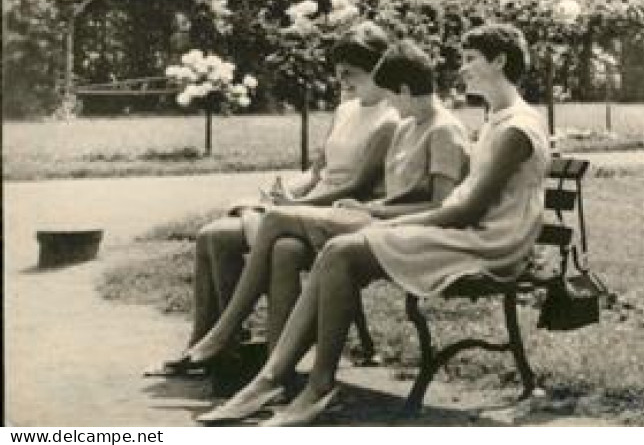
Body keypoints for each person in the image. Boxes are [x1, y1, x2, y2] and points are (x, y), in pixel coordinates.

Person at [201, 23, 551, 426]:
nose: (463, 69)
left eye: (471, 59)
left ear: (500, 61)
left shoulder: (516, 127)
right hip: (469, 232)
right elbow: (460, 206)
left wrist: (385, 222)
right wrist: (385, 218)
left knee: (343, 249)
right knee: (337, 251)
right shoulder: (497, 119)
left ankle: (303, 385)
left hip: (491, 242)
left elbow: (466, 212)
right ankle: (279, 381)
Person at [178, 40, 470, 368]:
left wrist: (372, 209)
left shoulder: (425, 127)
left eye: (390, 95)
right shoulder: (402, 122)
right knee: (264, 243)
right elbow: (368, 184)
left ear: (396, 86)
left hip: (385, 225)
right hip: (365, 215)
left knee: (277, 228)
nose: (344, 82)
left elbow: (437, 206)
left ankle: (229, 335)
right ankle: (257, 362)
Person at [148, 21, 398, 378]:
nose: (342, 82)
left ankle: (244, 349)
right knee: (211, 234)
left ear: (378, 69)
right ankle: (207, 344)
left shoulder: (389, 118)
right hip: (309, 204)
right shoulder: (346, 110)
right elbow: (316, 173)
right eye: (338, 73)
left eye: (351, 74)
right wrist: (280, 192)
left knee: (264, 244)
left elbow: (356, 186)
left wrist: (295, 207)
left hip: (338, 211)